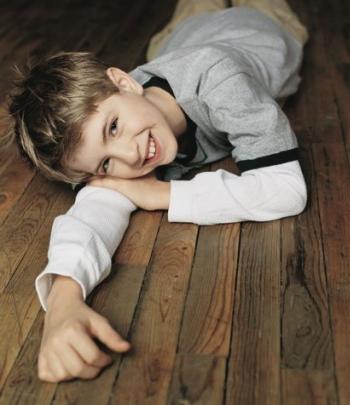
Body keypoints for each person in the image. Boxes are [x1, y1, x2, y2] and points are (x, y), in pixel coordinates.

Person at [3, 0, 309, 383]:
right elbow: (95, 207)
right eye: (105, 165)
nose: (130, 156)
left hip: (261, 25)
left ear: (125, 82)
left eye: (113, 128)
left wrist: (162, 195)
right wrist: (63, 301)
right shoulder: (119, 115)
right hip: (179, 38)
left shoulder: (221, 79)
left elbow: (286, 187)